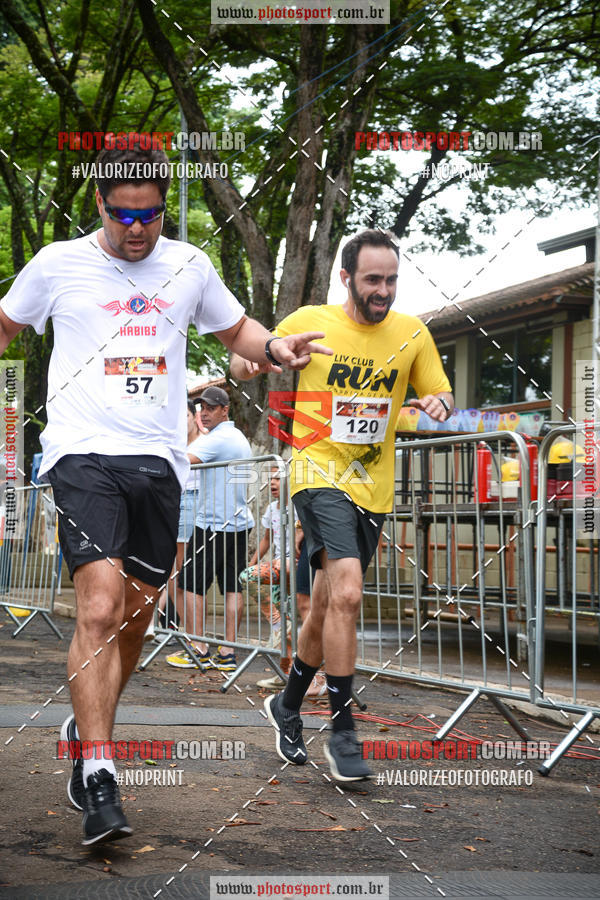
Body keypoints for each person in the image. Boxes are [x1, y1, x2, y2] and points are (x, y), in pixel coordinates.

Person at [0, 136, 331, 845]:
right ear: (99, 203)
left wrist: (278, 349)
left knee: (133, 621)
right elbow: (4, 325)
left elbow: (238, 329)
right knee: (98, 605)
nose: (137, 231)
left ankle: (87, 727)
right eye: (122, 217)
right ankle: (98, 773)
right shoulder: (58, 264)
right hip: (81, 456)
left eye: (149, 217)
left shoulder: (188, 266)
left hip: (160, 464)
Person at [231, 228, 453, 782]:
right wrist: (264, 361)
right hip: (316, 467)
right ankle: (343, 729)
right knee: (349, 588)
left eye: (392, 280)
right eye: (374, 280)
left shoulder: (413, 333)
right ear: (347, 278)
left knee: (331, 605)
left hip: (372, 483)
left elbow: (443, 394)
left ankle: (287, 705)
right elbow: (241, 364)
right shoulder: (312, 320)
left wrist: (436, 403)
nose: (384, 290)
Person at [166, 385, 254, 672]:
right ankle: (227, 652)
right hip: (238, 523)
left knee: (190, 584)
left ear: (225, 410)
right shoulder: (237, 436)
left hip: (214, 523)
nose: (204, 413)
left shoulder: (217, 439)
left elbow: (180, 460)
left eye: (210, 408)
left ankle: (198, 647)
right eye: (201, 407)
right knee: (232, 588)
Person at [144, 398, 200, 641]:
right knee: (171, 571)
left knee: (178, 571)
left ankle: (170, 628)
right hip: (170, 502)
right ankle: (156, 624)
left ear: (194, 417)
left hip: (192, 505)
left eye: (186, 416)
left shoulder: (205, 443)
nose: (182, 422)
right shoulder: (175, 443)